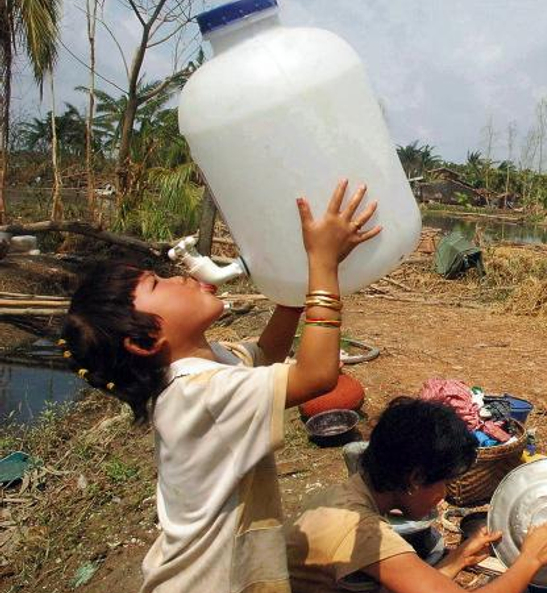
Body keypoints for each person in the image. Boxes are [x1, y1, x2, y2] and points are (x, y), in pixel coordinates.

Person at [60, 179, 381, 593]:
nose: (177, 279)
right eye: (159, 284)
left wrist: (290, 286)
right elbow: (317, 375)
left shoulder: (206, 365)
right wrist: (323, 265)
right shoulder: (200, 395)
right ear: (143, 341)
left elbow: (265, 354)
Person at [286, 398, 547, 593]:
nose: (444, 494)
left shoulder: (349, 495)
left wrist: (457, 560)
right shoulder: (360, 531)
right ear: (414, 478)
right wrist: (531, 560)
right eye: (445, 483)